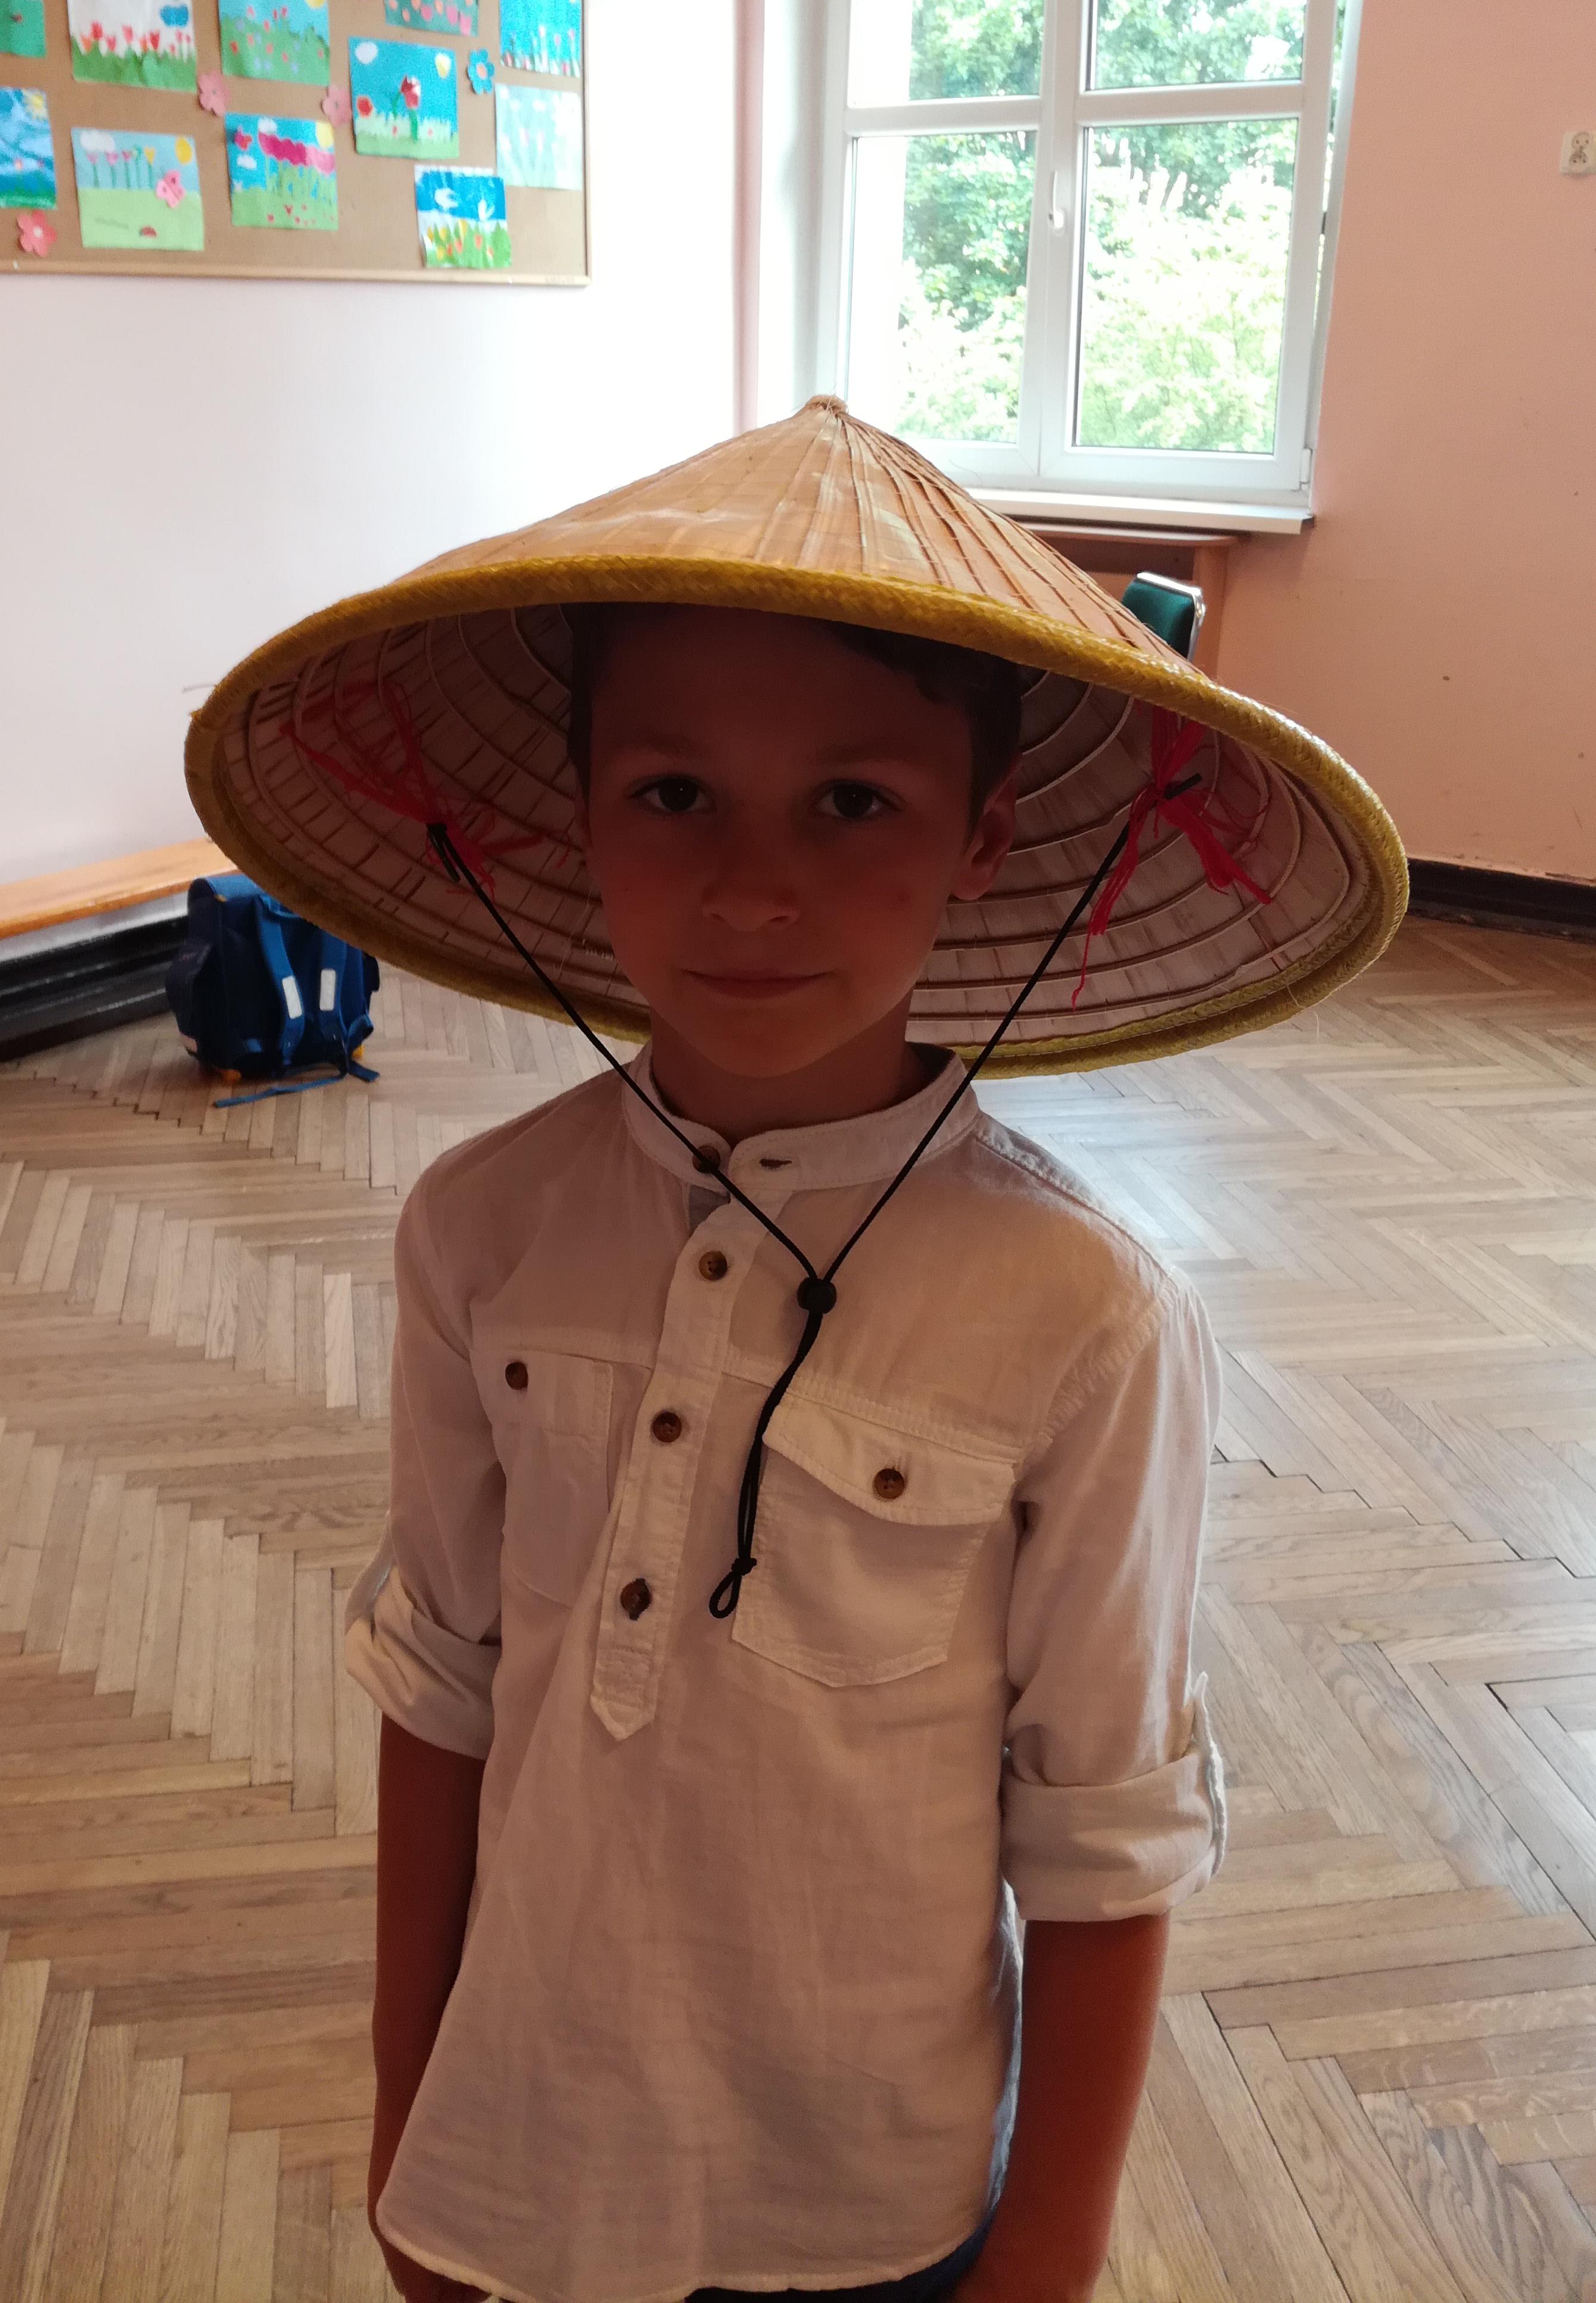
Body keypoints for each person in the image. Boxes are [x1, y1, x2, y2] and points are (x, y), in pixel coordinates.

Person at [184, 397, 1405, 2303]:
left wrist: (1049, 2252)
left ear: (984, 838)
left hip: (874, 2200)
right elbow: (441, 1686)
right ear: (582, 817)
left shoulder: (1083, 1314)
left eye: (853, 804)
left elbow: (1104, 1823)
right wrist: (411, 2113)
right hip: (531, 2144)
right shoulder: (482, 1230)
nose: (754, 886)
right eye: (677, 795)